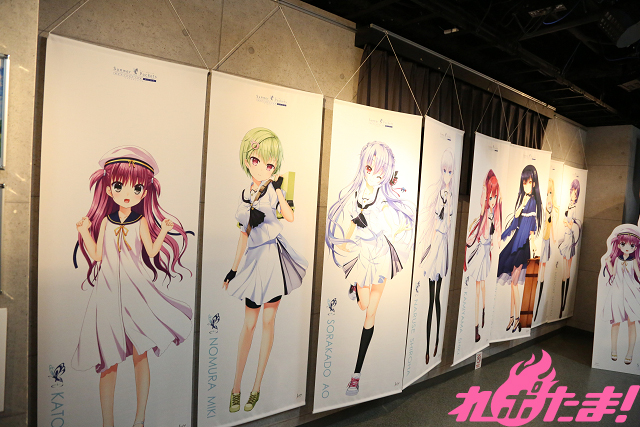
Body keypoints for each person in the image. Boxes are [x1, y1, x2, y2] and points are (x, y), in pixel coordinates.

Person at [73, 146, 192, 427]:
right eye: (119, 186)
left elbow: (151, 251)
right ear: (108, 189)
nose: (127, 193)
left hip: (136, 292)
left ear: (144, 192)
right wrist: (83, 232)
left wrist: (164, 231)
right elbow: (98, 255)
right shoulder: (105, 222)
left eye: (136, 188)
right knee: (108, 360)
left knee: (141, 353)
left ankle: (140, 419)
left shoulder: (141, 222)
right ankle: (108, 423)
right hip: (108, 293)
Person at [222, 127, 307, 413]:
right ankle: (236, 387)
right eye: (256, 160)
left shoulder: (274, 189)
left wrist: (279, 191)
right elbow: (243, 235)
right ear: (247, 160)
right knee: (249, 324)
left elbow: (290, 217)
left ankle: (256, 388)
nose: (262, 168)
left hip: (274, 258)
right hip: (254, 260)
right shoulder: (244, 194)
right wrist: (233, 270)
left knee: (268, 322)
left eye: (269, 165)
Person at [325, 141, 415, 396]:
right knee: (363, 304)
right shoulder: (353, 197)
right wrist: (354, 227)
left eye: (381, 170)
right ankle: (355, 287)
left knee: (371, 313)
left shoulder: (384, 199)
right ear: (363, 167)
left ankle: (356, 374)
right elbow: (347, 233)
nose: (375, 174)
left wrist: (395, 226)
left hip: (380, 255)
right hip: (360, 255)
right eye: (370, 168)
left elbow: (393, 224)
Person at [419, 150, 457, 363]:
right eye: (444, 170)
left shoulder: (450, 196)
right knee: (430, 300)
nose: (447, 175)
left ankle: (436, 343)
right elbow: (435, 221)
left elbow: (449, 223)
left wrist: (448, 202)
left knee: (437, 299)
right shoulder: (439, 194)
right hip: (436, 245)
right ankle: (427, 346)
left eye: (450, 171)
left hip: (443, 245)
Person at [497, 165, 542, 334]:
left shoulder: (533, 202)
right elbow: (516, 217)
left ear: (534, 183)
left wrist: (533, 242)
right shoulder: (523, 199)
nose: (527, 185)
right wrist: (521, 204)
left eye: (529, 182)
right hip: (516, 241)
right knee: (513, 283)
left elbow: (532, 226)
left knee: (514, 282)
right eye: (524, 182)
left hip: (523, 245)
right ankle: (513, 318)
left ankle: (516, 318)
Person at [464, 170, 502, 343]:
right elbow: (481, 210)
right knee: (478, 288)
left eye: (495, 197)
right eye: (490, 197)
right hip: (481, 252)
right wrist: (484, 190)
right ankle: (476, 327)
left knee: (484, 285)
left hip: (487, 253)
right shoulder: (485, 213)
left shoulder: (495, 215)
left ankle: (484, 313)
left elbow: (495, 235)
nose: (492, 201)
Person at [602, 225, 640, 365]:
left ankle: (630, 352)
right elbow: (613, 273)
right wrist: (607, 262)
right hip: (617, 290)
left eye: (631, 245)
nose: (627, 247)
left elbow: (638, 275)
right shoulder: (617, 259)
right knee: (616, 321)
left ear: (635, 248)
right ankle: (613, 350)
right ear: (619, 245)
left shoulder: (634, 261)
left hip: (631, 291)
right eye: (623, 244)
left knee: (631, 321)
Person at [534, 178, 558, 321]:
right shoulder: (542, 209)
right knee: (538, 268)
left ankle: (538, 306)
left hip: (547, 241)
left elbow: (552, 226)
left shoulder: (551, 210)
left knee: (543, 269)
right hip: (541, 241)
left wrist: (554, 239)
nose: (549, 196)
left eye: (551, 193)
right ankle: (535, 303)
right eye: (547, 193)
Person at [558, 179, 582, 318]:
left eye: (575, 193)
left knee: (567, 270)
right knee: (564, 271)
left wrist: (567, 224)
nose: (573, 195)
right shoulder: (569, 205)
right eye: (572, 192)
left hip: (570, 239)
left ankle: (564, 304)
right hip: (566, 237)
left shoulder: (575, 208)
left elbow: (573, 225)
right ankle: (562, 305)